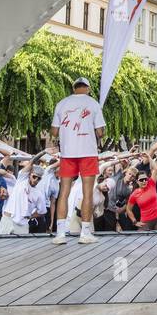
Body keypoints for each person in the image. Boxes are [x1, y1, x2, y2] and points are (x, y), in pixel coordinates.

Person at [52, 76, 106, 245]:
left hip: (67, 153)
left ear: (74, 88)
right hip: (88, 152)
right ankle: (85, 233)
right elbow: (100, 133)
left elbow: (54, 131)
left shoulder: (61, 104)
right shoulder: (93, 104)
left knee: (64, 192)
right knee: (87, 192)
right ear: (88, 88)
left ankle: (60, 234)